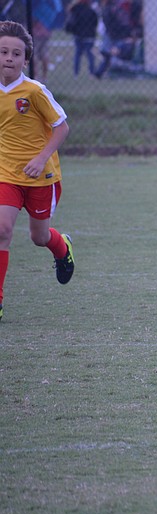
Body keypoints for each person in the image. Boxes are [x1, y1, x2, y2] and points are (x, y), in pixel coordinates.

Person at [0, 20, 76, 323]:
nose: (8, 58)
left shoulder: (34, 91)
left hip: (40, 176)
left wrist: (41, 157)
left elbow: (62, 127)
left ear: (25, 60)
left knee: (38, 236)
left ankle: (62, 247)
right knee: (2, 230)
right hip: (6, 173)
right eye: (3, 51)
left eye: (16, 54)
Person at [65, 0, 99, 77]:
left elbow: (72, 22)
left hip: (78, 35)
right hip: (89, 35)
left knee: (78, 54)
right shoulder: (91, 11)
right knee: (90, 54)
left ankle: (76, 73)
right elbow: (95, 22)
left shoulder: (75, 10)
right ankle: (92, 72)